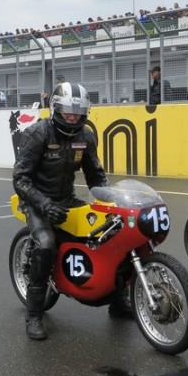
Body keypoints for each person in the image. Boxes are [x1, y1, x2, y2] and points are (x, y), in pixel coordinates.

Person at [12, 82, 109, 340]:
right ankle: (34, 314)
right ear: (55, 109)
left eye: (78, 112)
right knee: (45, 244)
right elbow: (20, 179)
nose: (73, 117)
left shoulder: (86, 136)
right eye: (67, 111)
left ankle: (118, 298)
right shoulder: (38, 134)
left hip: (67, 199)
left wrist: (108, 203)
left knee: (108, 231)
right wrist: (43, 205)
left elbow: (96, 177)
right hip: (36, 201)